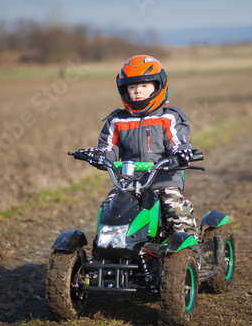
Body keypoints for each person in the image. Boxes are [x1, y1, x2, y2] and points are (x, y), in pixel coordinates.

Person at [83, 54, 199, 242]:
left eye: (144, 86)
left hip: (164, 179)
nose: (138, 91)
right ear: (124, 90)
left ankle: (191, 252)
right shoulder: (117, 120)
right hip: (128, 182)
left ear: (158, 85)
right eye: (132, 87)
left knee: (175, 208)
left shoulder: (170, 117)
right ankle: (109, 250)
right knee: (109, 209)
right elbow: (108, 149)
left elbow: (179, 144)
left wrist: (181, 154)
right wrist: (98, 154)